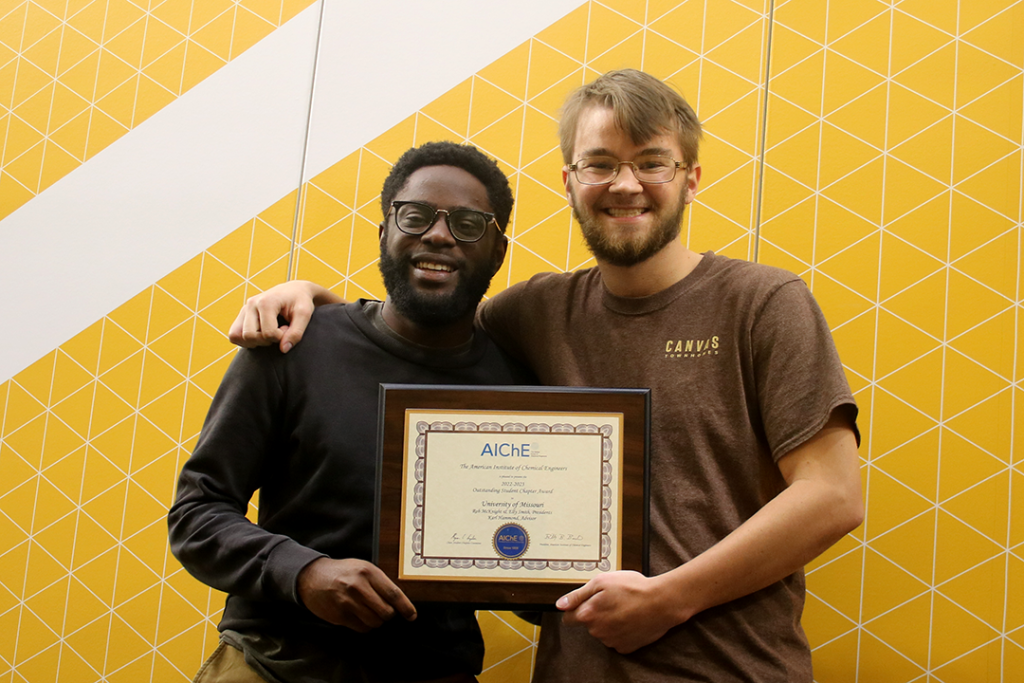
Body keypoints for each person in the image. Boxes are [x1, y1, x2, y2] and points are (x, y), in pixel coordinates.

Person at [227, 70, 863, 682]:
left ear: (690, 177)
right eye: (600, 163)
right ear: (569, 180)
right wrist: (313, 297)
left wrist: (671, 598)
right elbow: (417, 327)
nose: (625, 184)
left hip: (734, 670)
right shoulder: (535, 311)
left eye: (651, 162)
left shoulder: (764, 303)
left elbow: (833, 496)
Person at [168, 141, 535, 683]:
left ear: (498, 251)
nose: (438, 234)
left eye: (467, 223)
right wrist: (304, 573)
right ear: (384, 233)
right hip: (273, 661)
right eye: (414, 216)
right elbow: (196, 514)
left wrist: (548, 579)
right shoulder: (295, 349)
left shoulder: (519, 385)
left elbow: (533, 564)